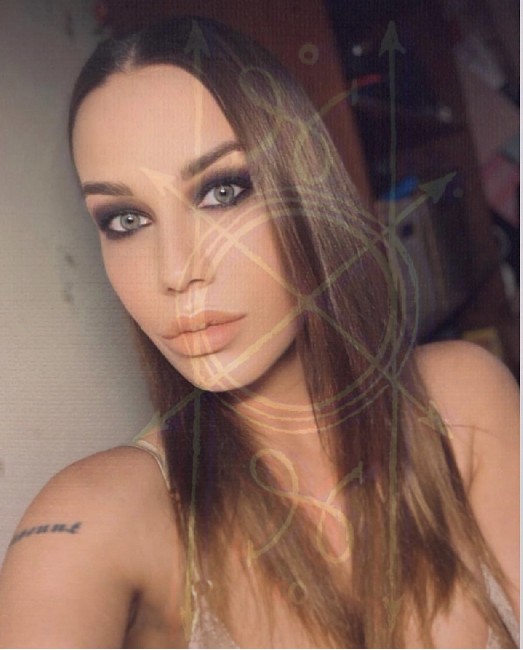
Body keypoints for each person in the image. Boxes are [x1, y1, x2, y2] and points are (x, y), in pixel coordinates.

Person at [0, 15, 518, 648]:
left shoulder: (462, 401)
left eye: (223, 191)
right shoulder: (96, 520)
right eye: (126, 220)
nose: (176, 271)